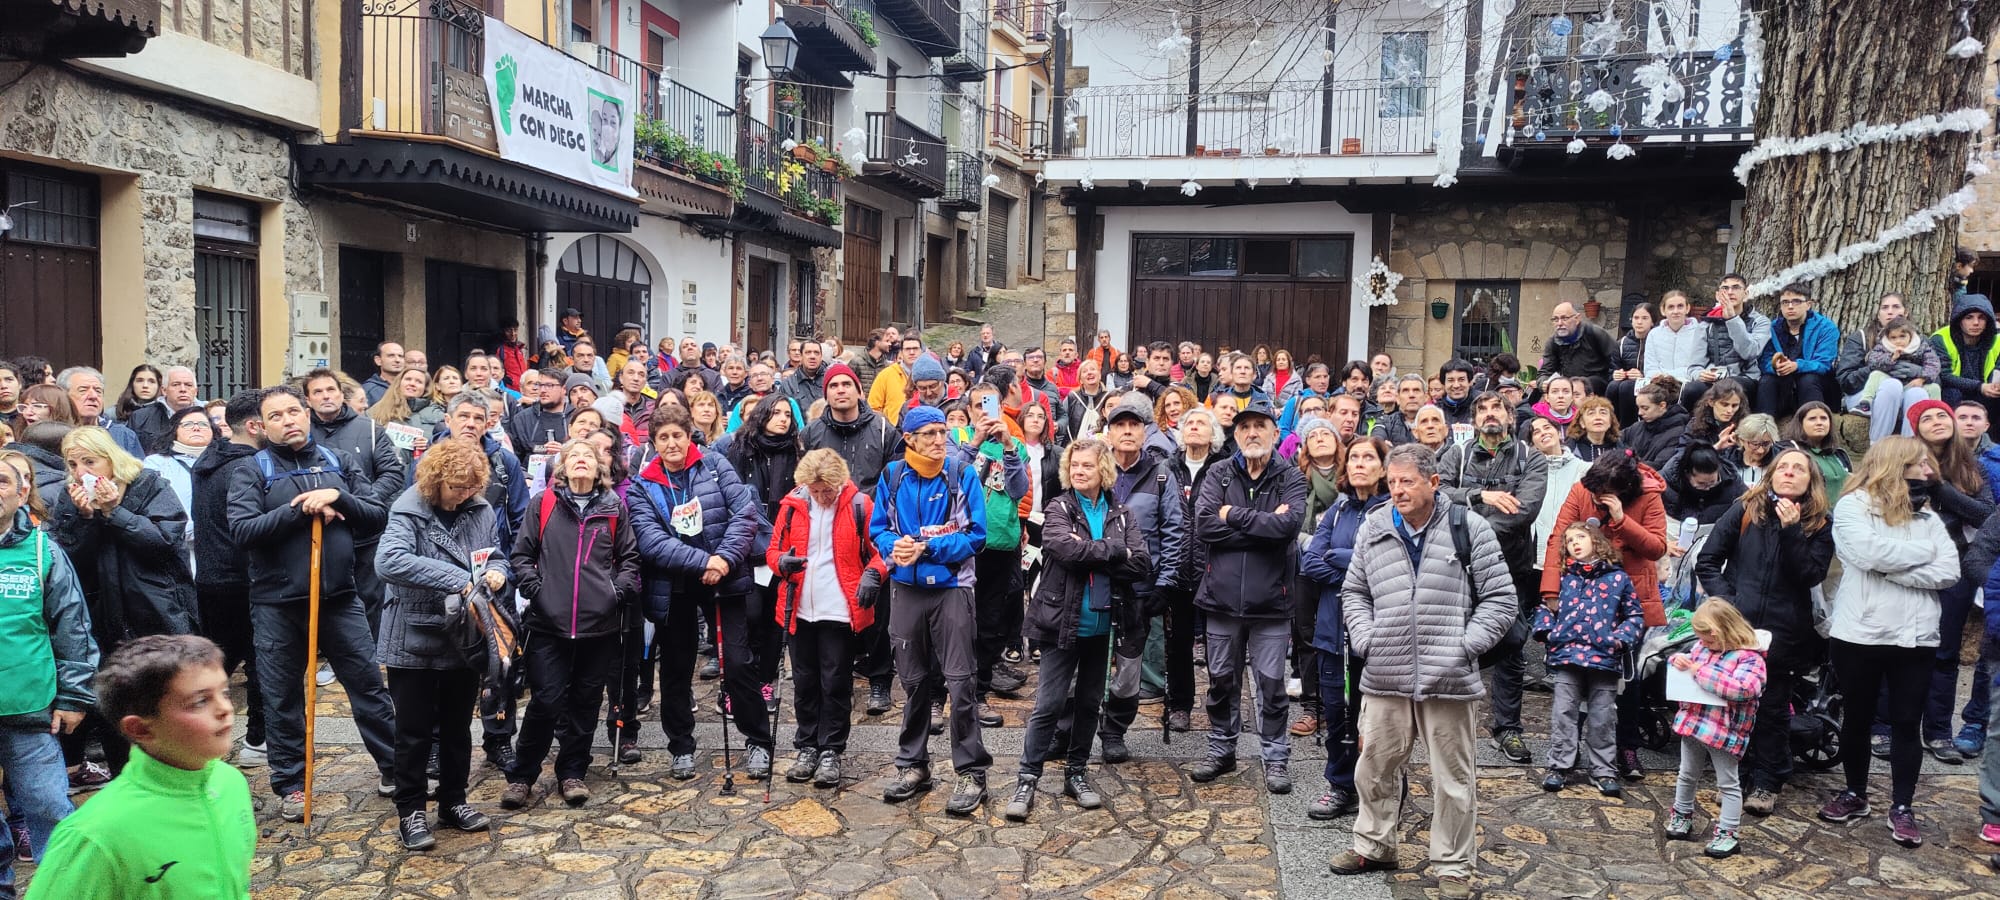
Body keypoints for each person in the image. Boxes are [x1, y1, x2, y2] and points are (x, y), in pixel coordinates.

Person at [1331, 444, 1517, 900]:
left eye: (1407, 482)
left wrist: (1464, 647)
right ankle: (1374, 846)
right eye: (1392, 482)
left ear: (1434, 483)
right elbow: (1354, 591)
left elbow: (1501, 600)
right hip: (1385, 672)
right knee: (1374, 767)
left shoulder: (1469, 527)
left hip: (1448, 678)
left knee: (1453, 778)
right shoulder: (1375, 527)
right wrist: (1367, 639)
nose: (1397, 490)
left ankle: (1452, 865)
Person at [226, 386, 397, 823]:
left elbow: (376, 515)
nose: (288, 420)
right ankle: (290, 784)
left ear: (306, 414)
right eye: (276, 416)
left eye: (293, 411)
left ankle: (394, 767)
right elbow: (243, 531)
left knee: (368, 687)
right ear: (261, 426)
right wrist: (300, 509)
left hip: (340, 598)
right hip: (276, 605)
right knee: (282, 697)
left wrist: (339, 498)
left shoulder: (339, 461)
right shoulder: (251, 470)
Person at [23, 636, 252, 900]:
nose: (225, 708)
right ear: (140, 728)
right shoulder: (94, 835)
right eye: (200, 701)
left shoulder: (230, 783)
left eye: (224, 692)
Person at [1816, 437, 1959, 847]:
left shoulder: (1928, 517)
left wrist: (1889, 568)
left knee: (1906, 722)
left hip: (1915, 636)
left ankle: (1902, 806)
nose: (1930, 471)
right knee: (1858, 718)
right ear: (1896, 464)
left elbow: (1949, 571)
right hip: (1859, 633)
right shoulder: (1853, 506)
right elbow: (1867, 554)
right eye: (1921, 464)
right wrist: (1919, 555)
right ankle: (1855, 793)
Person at [1004, 436, 1151, 821]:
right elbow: (1063, 549)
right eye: (1075, 465)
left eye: (1087, 465)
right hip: (1061, 623)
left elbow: (1141, 563)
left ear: (1103, 470)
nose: (1079, 471)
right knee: (1049, 704)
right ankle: (1027, 777)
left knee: (1088, 703)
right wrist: (1115, 550)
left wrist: (1095, 551)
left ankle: (1076, 772)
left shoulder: (1121, 513)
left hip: (1104, 625)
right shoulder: (1060, 507)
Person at [374, 440, 508, 849]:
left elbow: (494, 554)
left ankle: (454, 801)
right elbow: (389, 561)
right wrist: (458, 578)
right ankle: (411, 811)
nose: (463, 494)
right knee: (413, 732)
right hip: (413, 635)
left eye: (470, 487)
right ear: (436, 482)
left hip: (463, 635)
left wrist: (498, 572)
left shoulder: (480, 509)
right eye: (456, 487)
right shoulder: (408, 509)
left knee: (456, 729)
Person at [629, 404, 769, 781]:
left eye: (677, 435)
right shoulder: (643, 485)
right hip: (674, 585)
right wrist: (703, 562)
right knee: (676, 668)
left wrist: (723, 560)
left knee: (737, 662)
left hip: (725, 578)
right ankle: (681, 746)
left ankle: (758, 740)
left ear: (688, 434)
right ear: (654, 442)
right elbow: (651, 540)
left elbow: (745, 514)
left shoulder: (714, 465)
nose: (672, 443)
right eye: (663, 438)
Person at [49, 425, 201, 773]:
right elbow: (69, 559)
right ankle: (127, 779)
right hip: (103, 617)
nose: (81, 472)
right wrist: (86, 518)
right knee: (116, 711)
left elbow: (163, 542)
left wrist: (114, 511)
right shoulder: (70, 497)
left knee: (168, 701)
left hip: (156, 611)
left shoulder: (149, 485)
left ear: (110, 458)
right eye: (73, 464)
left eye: (89, 461)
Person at [1695, 447, 1833, 817]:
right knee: (1733, 704)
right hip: (1737, 627)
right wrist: (1730, 603)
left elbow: (1810, 575)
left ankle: (1767, 781)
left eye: (1798, 468)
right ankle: (1734, 776)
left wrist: (1792, 531)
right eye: (1782, 467)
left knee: (1772, 708)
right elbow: (1708, 560)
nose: (1789, 472)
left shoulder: (1819, 523)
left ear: (1810, 481)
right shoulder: (1745, 508)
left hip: (1785, 631)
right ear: (1771, 474)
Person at [502, 440, 638, 809]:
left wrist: (614, 593)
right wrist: (538, 591)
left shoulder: (614, 508)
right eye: (573, 455)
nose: (580, 460)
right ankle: (522, 775)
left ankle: (573, 771)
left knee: (585, 701)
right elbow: (522, 555)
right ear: (562, 467)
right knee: (546, 700)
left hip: (599, 626)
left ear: (599, 468)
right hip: (549, 623)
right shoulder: (543, 503)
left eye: (588, 456)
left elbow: (629, 559)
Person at [872, 404, 991, 814]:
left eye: (943, 432)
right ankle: (913, 764)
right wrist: (896, 546)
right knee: (913, 681)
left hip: (953, 589)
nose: (940, 440)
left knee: (960, 682)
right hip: (906, 590)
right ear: (909, 439)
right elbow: (878, 529)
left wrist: (927, 547)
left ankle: (972, 772)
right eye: (930, 434)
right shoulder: (892, 475)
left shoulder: (961, 474)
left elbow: (976, 535)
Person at [1189, 398, 1306, 792]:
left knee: (1272, 685)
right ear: (1235, 434)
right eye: (1245, 427)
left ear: (1275, 432)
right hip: (1220, 600)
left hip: (1272, 603)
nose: (1252, 433)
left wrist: (1233, 516)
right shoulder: (1218, 472)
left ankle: (1276, 757)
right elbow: (1205, 526)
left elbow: (1288, 528)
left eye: (1260, 426)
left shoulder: (1290, 476)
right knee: (1221, 681)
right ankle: (1222, 750)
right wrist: (1264, 526)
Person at [1538, 449, 1670, 778]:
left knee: (1626, 680)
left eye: (1603, 493)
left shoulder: (1649, 496)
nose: (1596, 497)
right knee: (1574, 676)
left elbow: (1656, 547)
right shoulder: (1582, 490)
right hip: (1581, 599)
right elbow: (1559, 537)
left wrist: (1622, 519)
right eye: (1593, 491)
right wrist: (1551, 591)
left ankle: (1626, 748)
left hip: (1628, 600)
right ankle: (1568, 752)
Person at [0, 457, 95, 897]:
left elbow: (72, 626)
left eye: (2, 481)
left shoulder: (43, 552)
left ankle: (64, 889)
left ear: (23, 493)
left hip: (29, 706)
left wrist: (74, 696)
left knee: (49, 807)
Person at [1438, 392, 1549, 764]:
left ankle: (1508, 729)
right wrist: (1480, 494)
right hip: (1459, 565)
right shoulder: (1457, 454)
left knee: (1512, 646)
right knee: (1453, 641)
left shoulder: (1530, 457)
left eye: (1497, 408)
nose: (1489, 414)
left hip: (1509, 567)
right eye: (1482, 409)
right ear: (1474, 419)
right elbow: (1438, 494)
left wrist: (1470, 529)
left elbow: (1524, 510)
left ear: (1510, 416)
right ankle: (1448, 722)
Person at [768, 449, 884, 788]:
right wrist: (781, 563)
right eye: (815, 491)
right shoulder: (792, 506)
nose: (821, 497)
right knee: (804, 682)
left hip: (839, 608)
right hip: (800, 607)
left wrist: (873, 575)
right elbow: (773, 550)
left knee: (835, 682)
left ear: (840, 482)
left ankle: (831, 749)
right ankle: (807, 746)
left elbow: (881, 551)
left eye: (827, 491)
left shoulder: (860, 505)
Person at [1299, 434, 1390, 820]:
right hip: (1333, 630)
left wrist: (1343, 558)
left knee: (1380, 718)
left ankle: (1381, 788)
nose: (1359, 464)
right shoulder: (1337, 511)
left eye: (1368, 458)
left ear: (1383, 468)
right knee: (1338, 713)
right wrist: (1355, 569)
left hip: (1378, 631)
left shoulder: (1392, 512)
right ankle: (1340, 785)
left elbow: (1390, 564)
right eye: (1354, 458)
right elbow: (1310, 562)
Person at [1092, 396, 1186, 761]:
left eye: (1135, 425)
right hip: (1097, 583)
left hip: (1141, 587)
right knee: (1088, 662)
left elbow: (1174, 531)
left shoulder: (1161, 475)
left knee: (1129, 667)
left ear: (1145, 432)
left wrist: (1165, 583)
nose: (1128, 432)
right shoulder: (1096, 469)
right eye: (1121, 425)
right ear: (1110, 432)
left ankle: (1115, 730)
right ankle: (1072, 728)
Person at [1908, 398, 1995, 763]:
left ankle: (1938, 731)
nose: (1937, 421)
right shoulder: (1902, 460)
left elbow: (1987, 514)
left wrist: (1940, 487)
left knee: (1945, 651)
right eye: (1927, 417)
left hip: (1956, 565)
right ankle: (1887, 726)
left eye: (1942, 414)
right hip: (1909, 563)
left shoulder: (1972, 465)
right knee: (1900, 648)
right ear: (1916, 428)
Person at [1535, 521, 1644, 795]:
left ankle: (1603, 770)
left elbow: (1634, 615)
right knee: (1563, 713)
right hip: (1567, 655)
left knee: (1602, 717)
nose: (1575, 543)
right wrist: (1549, 632)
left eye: (1580, 537)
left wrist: (1619, 639)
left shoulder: (1617, 578)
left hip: (1603, 658)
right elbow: (1545, 607)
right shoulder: (1563, 577)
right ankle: (1559, 766)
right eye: (1570, 541)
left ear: (1596, 541)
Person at [188, 392, 265, 769]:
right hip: (244, 578)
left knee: (217, 663)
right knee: (261, 662)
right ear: (254, 425)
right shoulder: (248, 466)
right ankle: (259, 739)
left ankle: (191, 733)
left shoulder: (207, 460)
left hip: (212, 577)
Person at [1664, 598, 1770, 859]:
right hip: (1694, 724)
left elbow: (1742, 689)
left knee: (1728, 783)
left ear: (1721, 632)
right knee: (1687, 774)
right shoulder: (1702, 648)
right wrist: (1678, 661)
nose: (1704, 644)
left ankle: (1728, 832)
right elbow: (1687, 660)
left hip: (1724, 731)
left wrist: (1698, 671)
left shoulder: (1750, 659)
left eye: (1708, 640)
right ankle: (1682, 814)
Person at [1756, 284, 1841, 419]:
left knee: (1808, 380)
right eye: (1785, 302)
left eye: (1796, 301)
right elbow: (1764, 360)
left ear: (1808, 305)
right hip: (1785, 383)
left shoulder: (1825, 328)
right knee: (1767, 381)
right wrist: (1775, 367)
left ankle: (1813, 425)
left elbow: (1824, 364)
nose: (1790, 306)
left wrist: (1797, 365)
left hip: (1817, 385)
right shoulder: (1773, 328)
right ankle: (1763, 426)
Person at [1693, 274, 1772, 408]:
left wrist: (1732, 320)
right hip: (1714, 377)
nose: (1730, 292)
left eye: (1735, 287)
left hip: (1745, 378)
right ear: (1718, 295)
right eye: (1725, 288)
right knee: (1691, 390)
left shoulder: (1760, 321)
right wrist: (1700, 374)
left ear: (1745, 293)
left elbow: (1750, 352)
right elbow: (1694, 365)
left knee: (1729, 387)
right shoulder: (1706, 324)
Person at [1930, 292, 2000, 437]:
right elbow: (1944, 375)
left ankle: (1992, 443)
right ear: (1959, 320)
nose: (1976, 323)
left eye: (1981, 318)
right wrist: (1980, 387)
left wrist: (1995, 386)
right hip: (1953, 390)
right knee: (1952, 393)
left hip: (1986, 391)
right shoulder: (1941, 338)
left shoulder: (1997, 339)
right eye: (1969, 317)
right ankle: (1951, 439)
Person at [1529, 417, 1588, 566]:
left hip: (1575, 553)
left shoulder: (1584, 469)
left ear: (1559, 433)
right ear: (1533, 444)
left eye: (1547, 427)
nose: (1543, 433)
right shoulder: (1529, 473)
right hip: (1537, 556)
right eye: (1536, 432)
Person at [56, 368, 144, 457]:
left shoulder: (123, 435)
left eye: (98, 391)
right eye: (83, 390)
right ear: (64, 397)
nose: (93, 396)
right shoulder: (54, 436)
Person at [1540, 302, 1619, 396]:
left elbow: (1616, 360)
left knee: (1585, 383)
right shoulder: (1553, 342)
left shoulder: (1594, 333)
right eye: (1555, 319)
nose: (1559, 323)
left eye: (1564, 318)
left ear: (1577, 319)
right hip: (1569, 385)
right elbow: (1545, 371)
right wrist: (1543, 383)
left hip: (1598, 384)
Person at [1779, 401, 1851, 498]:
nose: (1819, 423)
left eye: (1824, 418)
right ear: (1800, 423)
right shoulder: (1791, 451)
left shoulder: (1840, 454)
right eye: (1812, 419)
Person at [1622, 376, 1688, 471]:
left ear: (1662, 405)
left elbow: (1660, 466)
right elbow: (1616, 439)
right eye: (1638, 407)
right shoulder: (1637, 426)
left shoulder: (1678, 433)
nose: (1639, 413)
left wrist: (1623, 463)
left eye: (1645, 408)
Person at [126, 367, 198, 453]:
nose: (183, 389)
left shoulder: (208, 415)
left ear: (196, 391)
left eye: (188, 385)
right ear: (164, 390)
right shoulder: (140, 418)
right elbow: (130, 454)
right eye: (176, 384)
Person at [1608, 304, 1656, 425]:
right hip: (1625, 382)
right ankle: (1612, 424)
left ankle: (1627, 426)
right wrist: (1616, 374)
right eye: (1636, 318)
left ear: (1652, 322)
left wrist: (1642, 375)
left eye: (1645, 318)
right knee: (1613, 386)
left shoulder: (1657, 341)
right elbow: (1612, 368)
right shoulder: (1622, 343)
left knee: (1627, 387)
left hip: (1648, 383)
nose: (1639, 322)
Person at [780, 340, 827, 406]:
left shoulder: (830, 380)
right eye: (808, 353)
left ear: (821, 357)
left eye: (816, 353)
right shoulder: (789, 384)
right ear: (801, 356)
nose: (812, 356)